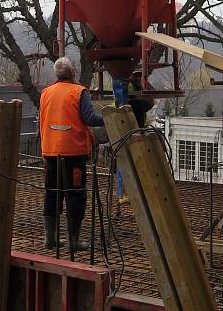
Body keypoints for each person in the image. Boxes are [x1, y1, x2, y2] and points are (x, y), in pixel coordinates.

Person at [39, 57, 104, 252]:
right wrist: (111, 116)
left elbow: (41, 121)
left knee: (52, 194)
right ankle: (73, 242)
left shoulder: (46, 93)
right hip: (73, 154)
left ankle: (50, 239)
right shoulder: (78, 92)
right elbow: (90, 118)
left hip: (50, 152)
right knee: (75, 196)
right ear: (73, 72)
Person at [112, 69, 154, 205]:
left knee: (132, 161)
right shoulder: (125, 87)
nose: (137, 77)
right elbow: (142, 104)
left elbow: (150, 99)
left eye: (139, 75)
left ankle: (128, 192)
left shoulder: (134, 85)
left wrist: (144, 83)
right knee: (125, 161)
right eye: (135, 74)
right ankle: (123, 193)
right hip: (127, 129)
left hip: (135, 128)